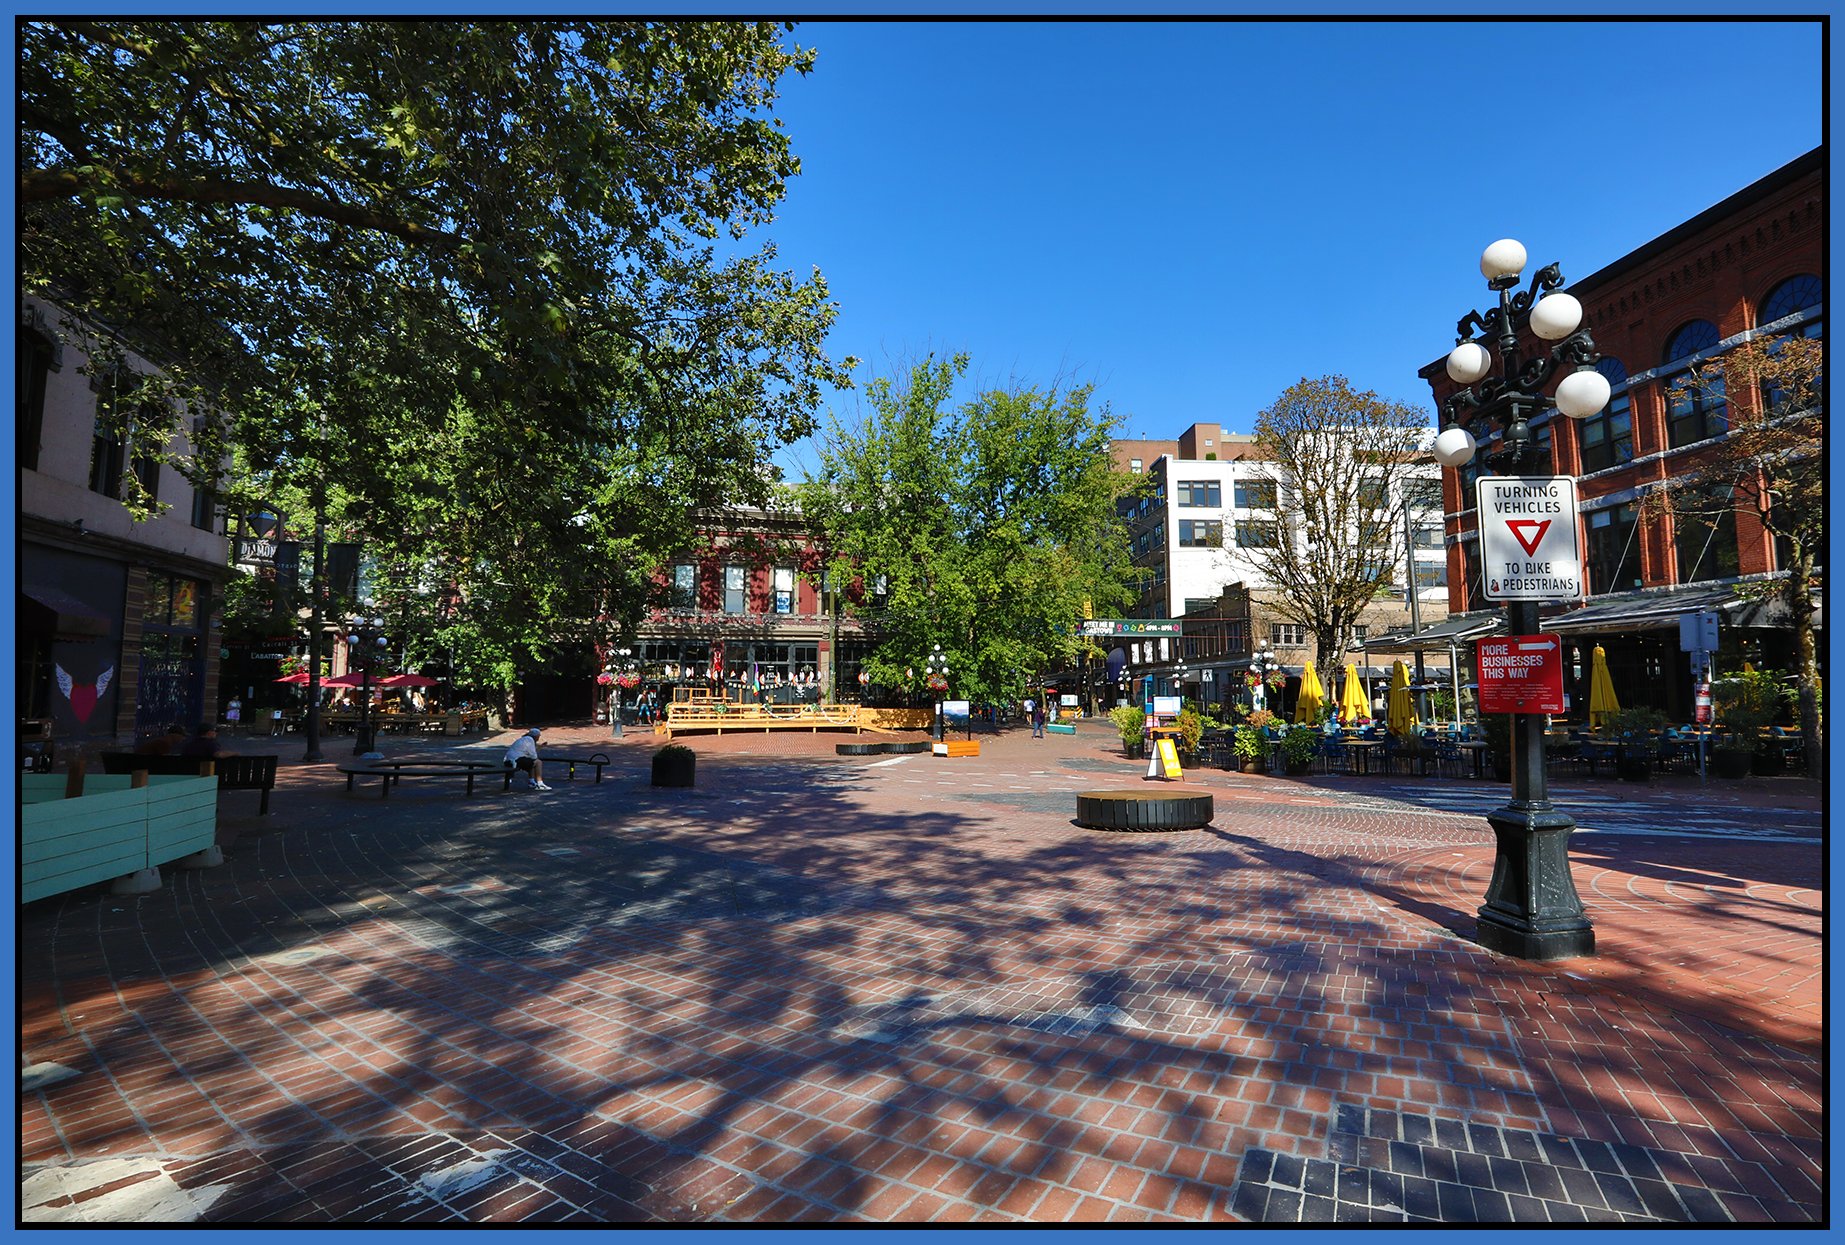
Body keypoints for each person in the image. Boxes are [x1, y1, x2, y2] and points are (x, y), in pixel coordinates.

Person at [504, 727, 550, 791]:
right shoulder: (530, 740)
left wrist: (540, 747)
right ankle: (540, 784)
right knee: (538, 762)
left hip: (509, 760)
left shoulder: (524, 739)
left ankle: (531, 782)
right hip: (515, 761)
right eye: (539, 736)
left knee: (531, 762)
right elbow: (534, 756)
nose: (539, 738)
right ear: (536, 736)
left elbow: (530, 754)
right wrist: (534, 757)